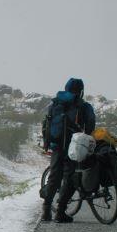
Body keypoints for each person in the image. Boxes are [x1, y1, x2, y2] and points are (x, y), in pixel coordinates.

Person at [40, 78, 95, 223]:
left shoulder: (55, 103)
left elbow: (47, 123)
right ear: (81, 91)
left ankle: (46, 210)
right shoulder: (82, 105)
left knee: (54, 177)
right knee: (70, 178)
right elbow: (90, 124)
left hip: (56, 145)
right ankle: (60, 212)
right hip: (74, 146)